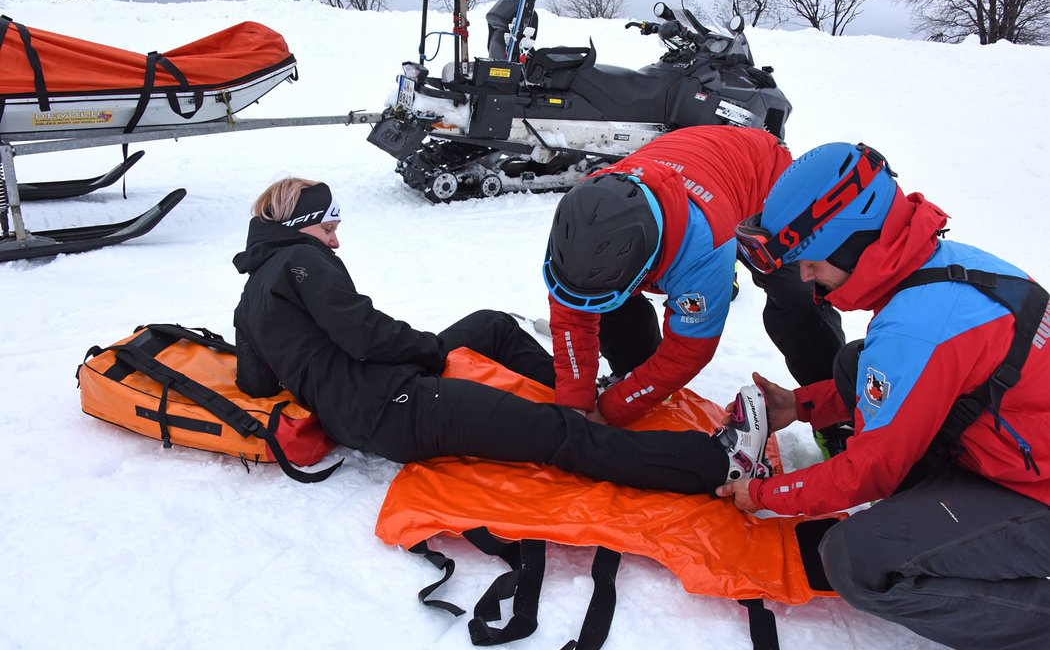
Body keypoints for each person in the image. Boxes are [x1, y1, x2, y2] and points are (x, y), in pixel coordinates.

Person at [720, 141, 1050, 650]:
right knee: (856, 362)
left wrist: (764, 493)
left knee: (858, 560)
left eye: (811, 261)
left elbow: (870, 473)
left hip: (1036, 494)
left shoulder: (919, 328)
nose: (804, 276)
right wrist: (799, 407)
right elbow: (899, 379)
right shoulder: (939, 270)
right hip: (1018, 447)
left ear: (853, 240)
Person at [231, 177, 771, 496]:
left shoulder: (255, 287)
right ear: (301, 227)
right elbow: (366, 335)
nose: (335, 243)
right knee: (561, 436)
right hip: (391, 407)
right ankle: (718, 463)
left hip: (374, 388)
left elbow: (254, 381)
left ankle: (576, 393)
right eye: (329, 230)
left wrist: (310, 371)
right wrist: (420, 351)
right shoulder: (304, 261)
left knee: (490, 324)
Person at [542, 125, 846, 449]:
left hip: (763, 179)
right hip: (697, 167)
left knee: (797, 302)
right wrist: (576, 399)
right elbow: (573, 310)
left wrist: (611, 409)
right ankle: (633, 374)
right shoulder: (591, 213)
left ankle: (835, 412)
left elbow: (686, 352)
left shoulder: (702, 247)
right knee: (605, 299)